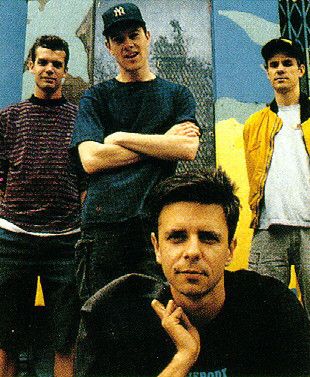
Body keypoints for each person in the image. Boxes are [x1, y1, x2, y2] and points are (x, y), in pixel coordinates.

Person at [75, 168, 310, 377]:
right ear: (157, 248)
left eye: (208, 238)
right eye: (177, 237)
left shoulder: (273, 308)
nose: (192, 252)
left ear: (230, 250)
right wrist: (183, 358)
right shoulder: (119, 314)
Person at [71, 2, 200, 301]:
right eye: (118, 39)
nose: (128, 44)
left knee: (154, 318)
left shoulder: (176, 94)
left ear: (148, 36)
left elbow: (187, 147)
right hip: (103, 227)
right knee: (101, 319)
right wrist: (162, 143)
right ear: (108, 47)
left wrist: (118, 137)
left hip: (154, 226)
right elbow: (91, 159)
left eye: (134, 35)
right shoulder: (96, 97)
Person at [0, 35, 84, 377]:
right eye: (44, 62)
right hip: (13, 240)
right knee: (5, 337)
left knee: (65, 337)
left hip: (66, 242)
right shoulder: (9, 118)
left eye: (57, 64)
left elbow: (86, 179)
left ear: (65, 71)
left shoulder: (81, 119)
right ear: (31, 66)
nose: (50, 69)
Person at [243, 38, 310, 318]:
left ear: (301, 70)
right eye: (274, 65)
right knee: (264, 314)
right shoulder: (254, 124)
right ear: (267, 71)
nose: (280, 69)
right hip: (269, 231)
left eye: (287, 63)